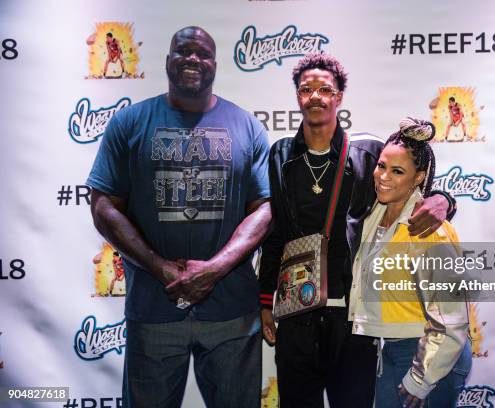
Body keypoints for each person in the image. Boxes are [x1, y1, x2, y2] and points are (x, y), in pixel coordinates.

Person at [258, 53, 457, 408]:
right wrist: (264, 301)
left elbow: (409, 174)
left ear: (339, 98)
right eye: (306, 89)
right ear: (297, 96)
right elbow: (275, 233)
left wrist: (442, 199)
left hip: (352, 320)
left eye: (325, 89)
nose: (315, 96)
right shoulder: (280, 155)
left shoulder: (367, 153)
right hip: (296, 314)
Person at [87, 26, 272, 408]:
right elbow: (104, 206)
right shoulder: (130, 123)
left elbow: (265, 209)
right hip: (155, 309)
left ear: (215, 65)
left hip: (230, 313)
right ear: (168, 59)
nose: (192, 59)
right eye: (183, 51)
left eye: (202, 53)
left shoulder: (246, 126)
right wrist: (160, 268)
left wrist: (214, 269)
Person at [349, 117, 471, 408]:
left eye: (397, 171)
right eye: (381, 166)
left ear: (418, 178)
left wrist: (422, 377)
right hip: (391, 349)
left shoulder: (430, 231)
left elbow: (451, 317)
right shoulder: (373, 214)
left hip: (427, 354)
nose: (383, 177)